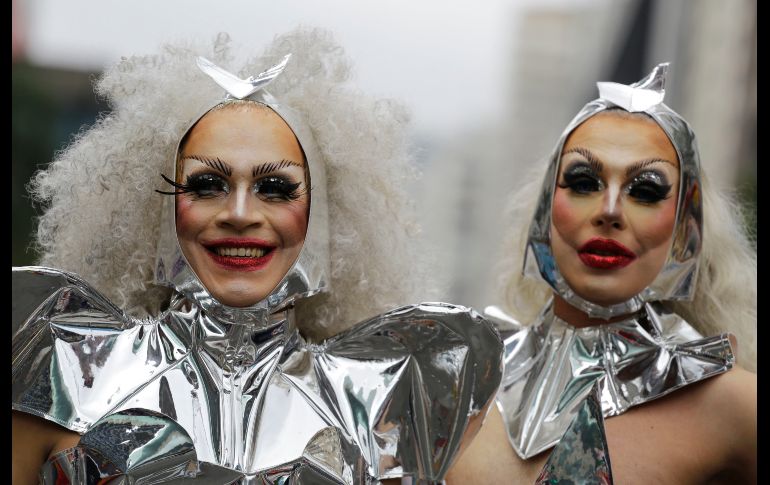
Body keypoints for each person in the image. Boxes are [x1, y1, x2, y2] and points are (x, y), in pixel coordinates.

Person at [12, 28, 502, 484]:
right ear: (160, 209)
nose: (240, 213)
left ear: (323, 217)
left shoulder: (381, 402)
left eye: (275, 188)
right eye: (207, 185)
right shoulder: (66, 366)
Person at [447, 64, 756, 484]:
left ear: (685, 227)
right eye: (583, 182)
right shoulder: (459, 381)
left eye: (645, 191)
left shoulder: (733, 407)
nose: (610, 211)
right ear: (545, 209)